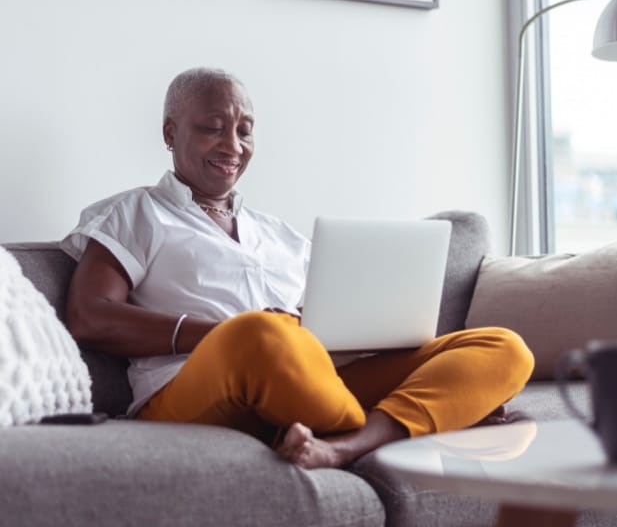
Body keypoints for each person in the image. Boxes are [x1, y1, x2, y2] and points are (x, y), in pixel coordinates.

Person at [62, 67, 534, 469]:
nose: (233, 145)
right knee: (263, 335)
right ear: (170, 133)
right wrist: (224, 333)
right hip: (192, 391)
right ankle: (421, 419)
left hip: (310, 380)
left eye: (245, 130)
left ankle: (346, 444)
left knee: (503, 347)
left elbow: (323, 325)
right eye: (213, 127)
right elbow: (91, 315)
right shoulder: (135, 212)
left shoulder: (281, 236)